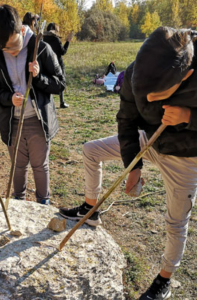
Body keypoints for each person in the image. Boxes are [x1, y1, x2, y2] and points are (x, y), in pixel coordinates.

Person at [59, 27, 197, 299]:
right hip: (151, 140)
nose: (146, 101)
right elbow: (126, 120)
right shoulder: (138, 72)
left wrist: (188, 117)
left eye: (156, 96)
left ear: (186, 76)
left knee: (176, 221)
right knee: (91, 150)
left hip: (186, 155)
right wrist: (133, 168)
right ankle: (90, 209)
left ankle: (164, 280)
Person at [0, 5, 65, 204]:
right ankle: (18, 202)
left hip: (38, 120)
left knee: (40, 165)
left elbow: (60, 84)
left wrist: (38, 77)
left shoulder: (41, 47)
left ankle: (43, 203)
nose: (11, 52)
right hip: (12, 123)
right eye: (5, 49)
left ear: (21, 30)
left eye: (14, 45)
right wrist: (8, 99)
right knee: (18, 167)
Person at [44, 23, 72, 108]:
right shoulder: (55, 39)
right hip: (58, 64)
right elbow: (62, 52)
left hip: (47, 62)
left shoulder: (44, 38)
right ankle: (62, 102)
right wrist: (68, 42)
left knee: (47, 82)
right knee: (61, 81)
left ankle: (48, 102)